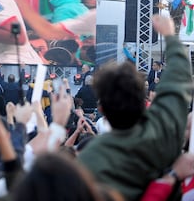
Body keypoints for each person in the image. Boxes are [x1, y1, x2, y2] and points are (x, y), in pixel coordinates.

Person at [78, 14, 193, 200]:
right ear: (143, 100)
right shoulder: (162, 130)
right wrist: (170, 36)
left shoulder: (88, 159)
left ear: (102, 110)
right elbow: (177, 80)